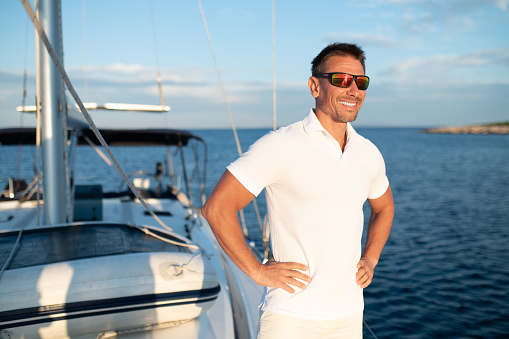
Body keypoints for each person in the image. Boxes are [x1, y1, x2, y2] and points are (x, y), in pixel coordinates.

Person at [202, 42, 394, 338]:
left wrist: (371, 258)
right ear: (315, 86)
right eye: (342, 80)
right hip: (291, 319)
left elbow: (384, 208)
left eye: (360, 81)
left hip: (350, 315)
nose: (353, 90)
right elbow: (217, 208)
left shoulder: (368, 153)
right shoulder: (283, 145)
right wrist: (257, 271)